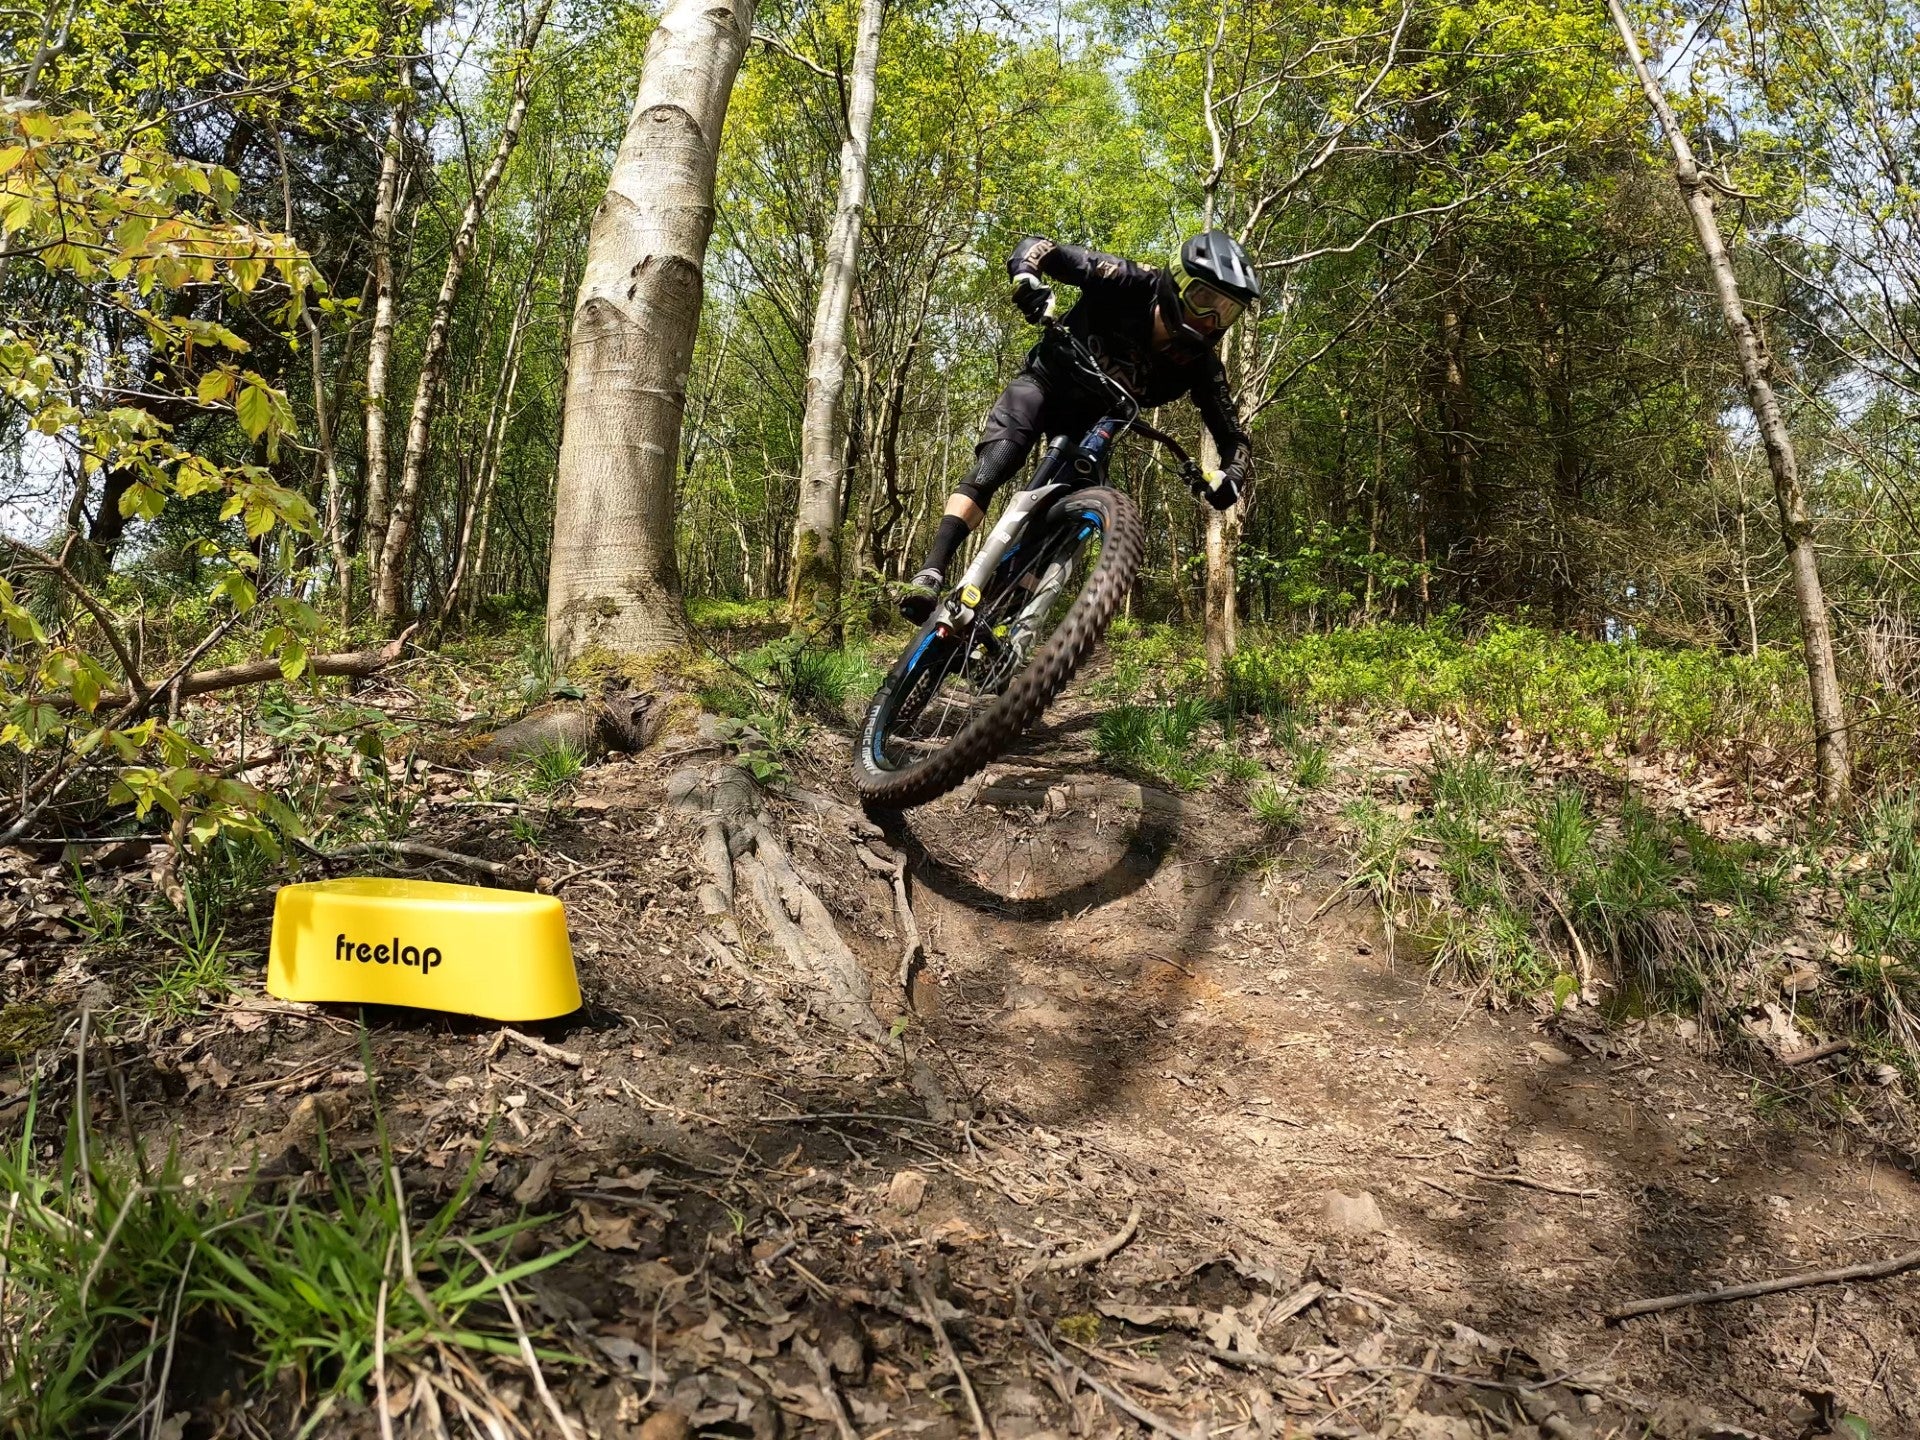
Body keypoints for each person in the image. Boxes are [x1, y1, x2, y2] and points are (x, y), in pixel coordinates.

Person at [898, 229, 1260, 623]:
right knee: (998, 461)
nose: (1210, 320)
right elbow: (1042, 250)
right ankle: (931, 571)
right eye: (1204, 300)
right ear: (1177, 283)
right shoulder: (1130, 280)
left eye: (1226, 312)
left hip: (1093, 428)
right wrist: (1027, 279)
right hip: (1045, 383)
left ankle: (1000, 620)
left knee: (1061, 521)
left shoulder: (1202, 367)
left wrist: (1231, 476)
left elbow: (1233, 437)